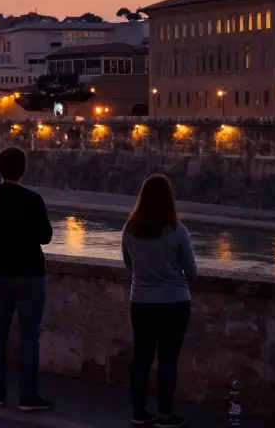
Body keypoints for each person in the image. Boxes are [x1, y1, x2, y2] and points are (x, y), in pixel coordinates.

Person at [0, 146, 54, 412]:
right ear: (24, 170)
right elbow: (45, 236)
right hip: (30, 275)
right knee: (30, 335)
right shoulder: (33, 200)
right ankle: (28, 397)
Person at [122, 175, 197, 428]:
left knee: (141, 358)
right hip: (174, 303)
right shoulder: (178, 231)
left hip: (141, 301)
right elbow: (192, 272)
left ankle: (138, 412)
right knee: (168, 360)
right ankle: (165, 415)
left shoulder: (130, 229)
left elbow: (128, 264)